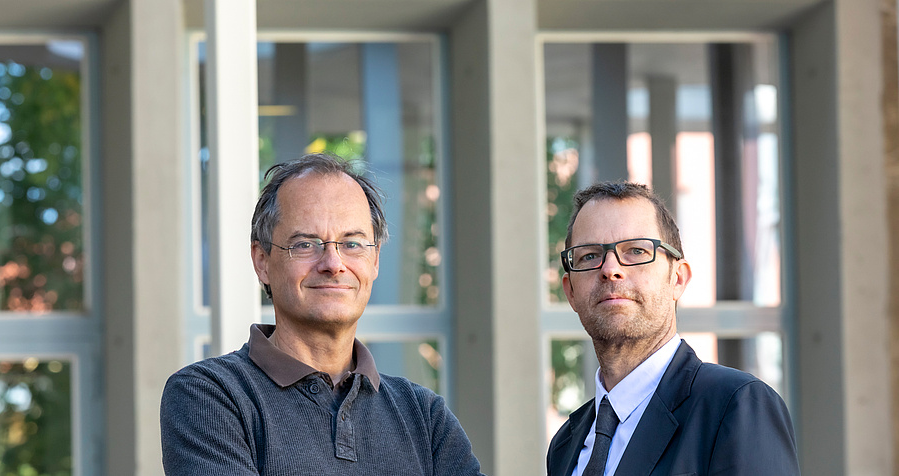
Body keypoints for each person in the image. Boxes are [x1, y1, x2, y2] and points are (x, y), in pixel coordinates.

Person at [161, 153, 483, 475]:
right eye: (305, 244)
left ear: (375, 261)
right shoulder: (209, 397)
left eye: (352, 244)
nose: (333, 263)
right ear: (262, 261)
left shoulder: (425, 416)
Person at [546, 181, 799, 476]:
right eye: (589, 255)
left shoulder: (735, 405)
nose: (610, 268)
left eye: (636, 251)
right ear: (571, 292)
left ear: (678, 278)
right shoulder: (565, 444)